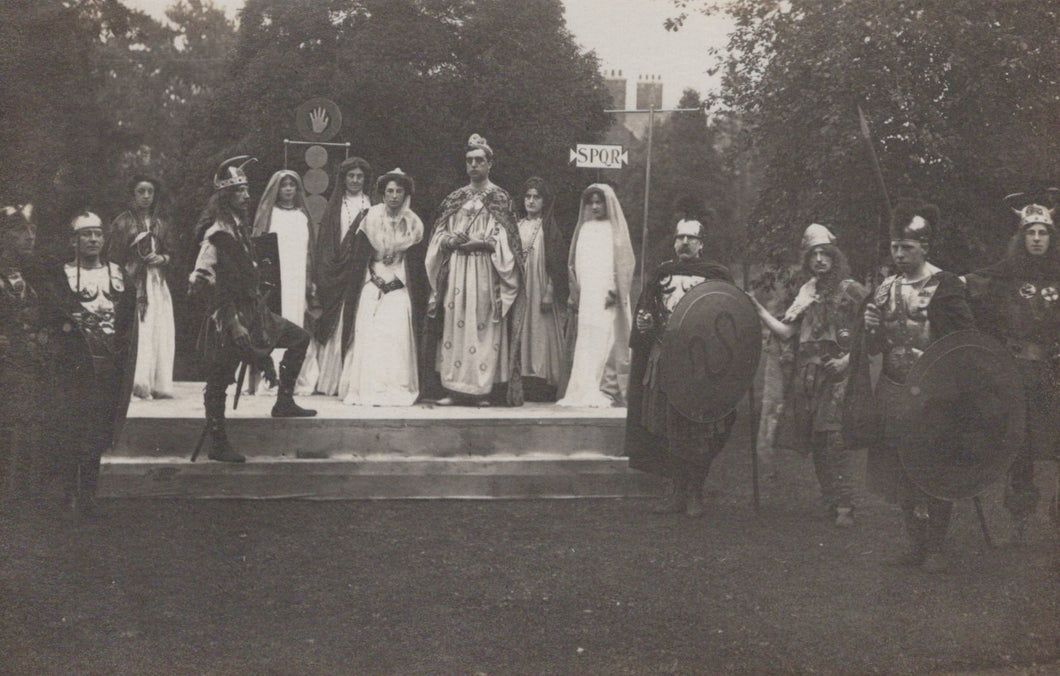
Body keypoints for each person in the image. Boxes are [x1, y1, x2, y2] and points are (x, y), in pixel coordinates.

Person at [855, 199, 974, 571]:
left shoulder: (947, 286)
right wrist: (871, 327)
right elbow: (873, 349)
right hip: (894, 389)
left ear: (926, 246)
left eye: (907, 246)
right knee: (899, 468)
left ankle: (936, 546)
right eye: (895, 246)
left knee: (935, 468)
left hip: (934, 395)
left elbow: (966, 342)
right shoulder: (884, 289)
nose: (900, 253)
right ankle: (916, 544)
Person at [189, 156, 317, 464]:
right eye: (241, 192)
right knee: (220, 378)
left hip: (255, 313)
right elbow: (202, 282)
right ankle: (217, 443)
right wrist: (232, 323)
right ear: (226, 197)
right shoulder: (217, 234)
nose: (248, 196)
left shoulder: (239, 227)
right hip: (230, 318)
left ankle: (283, 401)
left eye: (247, 190)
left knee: (299, 337)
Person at [750, 224, 868, 527]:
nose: (819, 259)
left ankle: (845, 505)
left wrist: (847, 359)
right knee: (817, 439)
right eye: (813, 254)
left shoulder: (851, 290)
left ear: (834, 256)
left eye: (824, 253)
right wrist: (759, 311)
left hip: (838, 374)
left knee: (833, 438)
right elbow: (788, 331)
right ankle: (831, 500)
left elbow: (870, 332)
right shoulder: (806, 292)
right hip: (808, 376)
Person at [964, 192, 1060, 542]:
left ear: (1052, 237)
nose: (1037, 239)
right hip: (1018, 372)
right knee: (1020, 445)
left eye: (1043, 233)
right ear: (1022, 237)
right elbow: (966, 285)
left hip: (1055, 373)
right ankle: (1020, 517)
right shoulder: (1005, 275)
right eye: (1031, 233)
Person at [626, 215, 735, 517]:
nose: (684, 243)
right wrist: (643, 323)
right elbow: (645, 315)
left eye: (691, 238)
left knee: (699, 429)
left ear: (702, 244)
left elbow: (729, 319)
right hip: (664, 360)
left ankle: (695, 492)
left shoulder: (717, 276)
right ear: (674, 242)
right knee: (668, 427)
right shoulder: (661, 275)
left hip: (701, 365)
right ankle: (677, 491)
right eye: (680, 237)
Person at [424, 134, 524, 407]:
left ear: (490, 164)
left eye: (479, 160)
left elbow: (509, 240)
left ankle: (481, 390)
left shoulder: (500, 198)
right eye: (469, 161)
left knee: (482, 325)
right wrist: (448, 240)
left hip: (485, 268)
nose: (473, 166)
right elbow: (438, 234)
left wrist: (484, 243)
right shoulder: (454, 198)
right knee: (454, 325)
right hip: (457, 268)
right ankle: (454, 389)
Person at [53, 211, 135, 515]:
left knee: (99, 430)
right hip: (75, 367)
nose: (92, 239)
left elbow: (128, 320)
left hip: (109, 365)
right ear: (73, 240)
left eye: (97, 234)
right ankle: (68, 493)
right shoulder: (61, 275)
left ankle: (89, 493)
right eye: (85, 234)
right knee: (72, 427)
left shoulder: (118, 273)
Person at [338, 168, 428, 406]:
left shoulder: (414, 224)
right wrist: (374, 277)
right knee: (369, 328)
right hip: (373, 278)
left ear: (406, 194)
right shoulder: (370, 218)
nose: (394, 196)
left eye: (399, 191)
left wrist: (398, 280)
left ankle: (395, 387)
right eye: (389, 191)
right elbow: (360, 258)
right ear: (382, 193)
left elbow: (417, 266)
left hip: (400, 282)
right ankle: (368, 387)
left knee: (396, 330)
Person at [557, 184, 634, 408]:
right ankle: (585, 386)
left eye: (599, 201)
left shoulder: (615, 230)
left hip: (608, 294)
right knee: (588, 339)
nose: (595, 206)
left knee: (608, 337)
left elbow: (623, 262)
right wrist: (577, 292)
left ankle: (607, 387)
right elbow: (577, 263)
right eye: (591, 202)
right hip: (589, 294)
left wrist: (616, 289)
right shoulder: (585, 229)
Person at [0, 204, 57, 507]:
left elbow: (48, 311)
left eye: (32, 230)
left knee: (32, 421)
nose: (28, 236)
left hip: (31, 358)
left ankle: (26, 491)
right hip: (6, 361)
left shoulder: (36, 270)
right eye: (20, 230)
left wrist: (44, 334)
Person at [105, 175, 175, 400]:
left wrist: (162, 259)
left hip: (157, 283)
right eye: (141, 192)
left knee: (159, 327)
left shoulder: (161, 223)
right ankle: (137, 382)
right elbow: (113, 258)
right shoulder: (122, 222)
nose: (146, 196)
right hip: (132, 283)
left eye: (150, 192)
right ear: (132, 195)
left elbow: (174, 254)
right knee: (140, 329)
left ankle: (159, 383)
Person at [251, 169, 318, 394]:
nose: (288, 189)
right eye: (284, 185)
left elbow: (309, 251)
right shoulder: (269, 215)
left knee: (297, 319)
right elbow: (259, 248)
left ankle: (294, 378)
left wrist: (310, 279)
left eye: (292, 185)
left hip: (297, 280)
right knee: (273, 323)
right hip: (275, 280)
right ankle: (269, 378)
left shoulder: (302, 216)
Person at [514, 177, 569, 401]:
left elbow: (556, 263)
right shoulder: (517, 226)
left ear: (544, 201)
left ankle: (542, 380)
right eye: (528, 196)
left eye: (536, 197)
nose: (531, 201)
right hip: (519, 288)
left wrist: (549, 289)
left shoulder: (549, 228)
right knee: (522, 330)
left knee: (540, 331)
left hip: (540, 287)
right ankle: (522, 378)